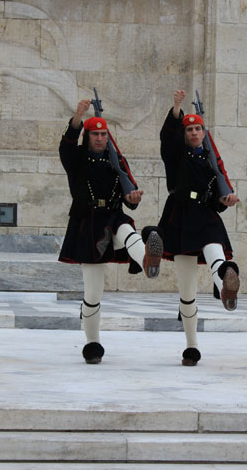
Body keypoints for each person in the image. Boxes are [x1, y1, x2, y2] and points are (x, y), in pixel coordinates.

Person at [59, 98, 163, 364]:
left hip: (114, 216)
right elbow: (67, 144)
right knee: (93, 294)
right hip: (87, 223)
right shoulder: (76, 159)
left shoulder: (117, 159)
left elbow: (130, 192)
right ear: (88, 135)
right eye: (95, 134)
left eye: (104, 134)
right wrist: (78, 116)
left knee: (127, 231)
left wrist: (135, 198)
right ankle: (93, 344)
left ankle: (147, 260)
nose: (100, 138)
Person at [158, 89, 240, 366]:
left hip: (205, 215)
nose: (193, 133)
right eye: (189, 129)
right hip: (180, 217)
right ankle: (191, 347)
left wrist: (226, 199)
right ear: (185, 133)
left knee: (218, 254)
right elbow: (167, 137)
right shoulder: (175, 154)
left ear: (204, 133)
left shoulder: (210, 161)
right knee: (187, 289)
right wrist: (176, 108)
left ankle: (227, 281)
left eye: (197, 129)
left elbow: (218, 195)